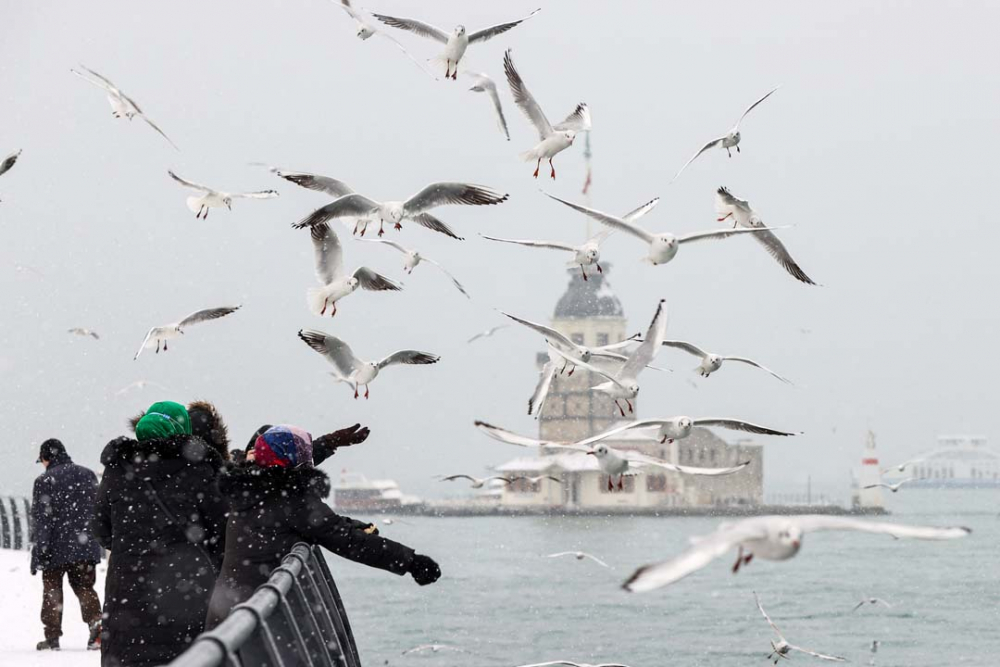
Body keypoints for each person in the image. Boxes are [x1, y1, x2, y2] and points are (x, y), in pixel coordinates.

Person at [205, 425, 440, 629]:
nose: (306, 458)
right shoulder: (291, 500)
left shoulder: (248, 485)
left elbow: (284, 464)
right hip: (256, 619)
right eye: (302, 453)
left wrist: (329, 442)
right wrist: (412, 562)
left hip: (227, 611)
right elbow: (346, 540)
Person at [92, 401, 228, 667]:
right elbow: (221, 531)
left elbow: (100, 528)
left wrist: (132, 549)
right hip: (184, 594)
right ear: (182, 429)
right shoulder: (198, 469)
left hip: (125, 593)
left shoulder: (118, 468)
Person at [30, 438, 103, 652]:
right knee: (84, 587)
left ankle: (52, 637)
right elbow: (98, 510)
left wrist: (41, 550)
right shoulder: (88, 474)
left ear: (46, 458)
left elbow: (43, 520)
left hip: (55, 547)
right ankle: (97, 626)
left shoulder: (44, 480)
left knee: (52, 589)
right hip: (86, 545)